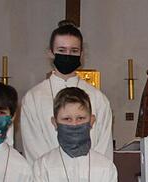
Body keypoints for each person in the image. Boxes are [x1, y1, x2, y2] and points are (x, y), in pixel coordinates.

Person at [20, 20, 113, 163]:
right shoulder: (33, 98)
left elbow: (103, 146)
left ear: (81, 54)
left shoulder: (97, 98)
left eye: (74, 51)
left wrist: (92, 174)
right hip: (48, 177)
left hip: (89, 178)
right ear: (51, 52)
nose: (68, 55)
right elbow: (33, 146)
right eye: (62, 50)